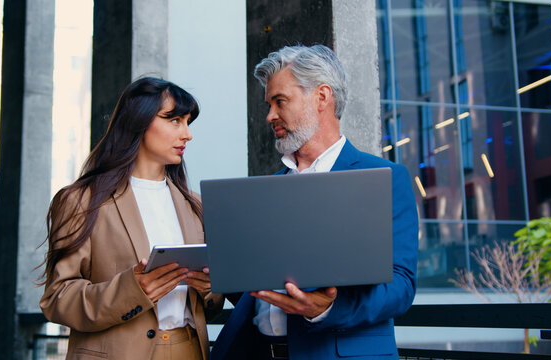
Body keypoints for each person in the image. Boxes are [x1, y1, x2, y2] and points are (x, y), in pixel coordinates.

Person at [210, 45, 419, 360]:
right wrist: (222, 272)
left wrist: (328, 308)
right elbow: (258, 289)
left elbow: (401, 287)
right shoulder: (265, 191)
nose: (270, 116)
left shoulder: (385, 178)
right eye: (269, 104)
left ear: (322, 97)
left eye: (280, 101)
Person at [39, 77, 223, 360]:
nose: (187, 134)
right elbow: (57, 298)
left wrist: (209, 288)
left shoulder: (194, 205)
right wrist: (132, 289)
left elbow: (211, 305)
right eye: (174, 120)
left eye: (188, 122)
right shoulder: (82, 201)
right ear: (139, 121)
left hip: (189, 349)